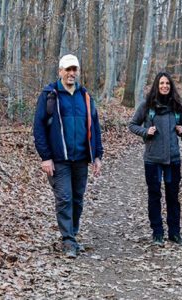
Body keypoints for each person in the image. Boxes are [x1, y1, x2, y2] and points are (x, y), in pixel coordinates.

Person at [33, 54, 103, 258]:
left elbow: (95, 127)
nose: (72, 73)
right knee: (64, 198)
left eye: (75, 69)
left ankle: (72, 233)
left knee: (77, 199)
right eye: (68, 69)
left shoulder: (85, 96)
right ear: (60, 71)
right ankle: (68, 241)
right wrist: (45, 157)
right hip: (59, 159)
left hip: (81, 157)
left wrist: (97, 155)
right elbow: (38, 127)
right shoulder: (50, 95)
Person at [129, 71, 182, 246]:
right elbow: (132, 125)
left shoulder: (176, 105)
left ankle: (174, 233)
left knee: (173, 196)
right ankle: (157, 233)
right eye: (161, 83)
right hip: (153, 159)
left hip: (173, 159)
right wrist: (146, 132)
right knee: (154, 195)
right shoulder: (147, 106)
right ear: (156, 85)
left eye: (167, 84)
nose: (164, 86)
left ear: (171, 86)